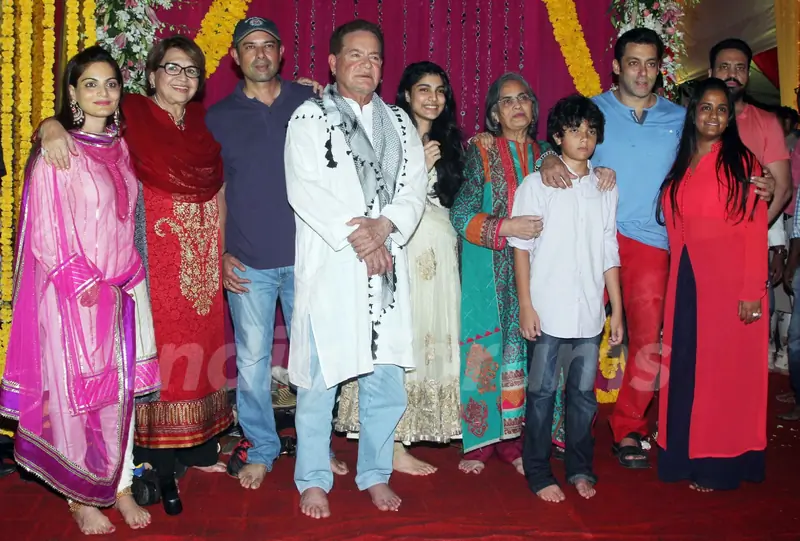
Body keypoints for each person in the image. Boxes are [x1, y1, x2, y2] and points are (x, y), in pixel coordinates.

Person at [537, 28, 778, 469]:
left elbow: (717, 154)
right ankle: (556, 425)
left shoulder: (679, 117)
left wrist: (758, 182)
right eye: (633, 62)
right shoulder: (594, 110)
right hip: (590, 239)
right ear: (616, 66)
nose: (642, 72)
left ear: (660, 68)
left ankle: (629, 427)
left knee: (649, 342)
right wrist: (546, 160)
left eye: (651, 63)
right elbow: (555, 140)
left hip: (651, 241)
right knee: (569, 330)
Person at [38, 36, 234, 516]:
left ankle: (198, 448)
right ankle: (154, 463)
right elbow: (80, 116)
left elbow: (220, 189)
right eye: (171, 68)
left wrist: (220, 252)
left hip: (201, 263)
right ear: (150, 76)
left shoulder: (204, 129)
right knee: (158, 357)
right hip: (150, 263)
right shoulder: (131, 116)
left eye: (191, 71)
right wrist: (48, 125)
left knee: (199, 352)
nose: (181, 78)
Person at [0, 46, 159, 535]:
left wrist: (129, 280)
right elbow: (47, 234)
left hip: (125, 287)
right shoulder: (58, 151)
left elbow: (124, 224)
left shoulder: (120, 148)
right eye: (90, 83)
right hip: (78, 296)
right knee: (79, 399)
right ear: (72, 93)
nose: (103, 93)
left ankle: (122, 486)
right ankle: (80, 495)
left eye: (111, 83)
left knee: (122, 394)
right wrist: (89, 288)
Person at [284, 19, 428, 518]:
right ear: (333, 63)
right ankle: (313, 479)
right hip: (335, 268)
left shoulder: (400, 122)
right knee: (319, 383)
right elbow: (305, 190)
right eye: (355, 56)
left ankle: (375, 473)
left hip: (386, 264)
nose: (366, 66)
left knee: (385, 380)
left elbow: (413, 189)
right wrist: (362, 240)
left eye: (374, 58)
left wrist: (384, 227)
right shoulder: (308, 118)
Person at [206, 16, 347, 490]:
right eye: (250, 46)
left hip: (311, 258)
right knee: (251, 363)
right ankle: (262, 447)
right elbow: (217, 192)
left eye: (269, 45)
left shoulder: (311, 102)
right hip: (249, 260)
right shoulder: (218, 116)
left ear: (282, 53)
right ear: (235, 57)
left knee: (314, 359)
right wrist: (222, 252)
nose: (261, 54)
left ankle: (315, 446)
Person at [335, 61, 464, 475]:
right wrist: (417, 167)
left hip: (440, 254)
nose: (433, 98)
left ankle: (409, 435)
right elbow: (370, 193)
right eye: (423, 89)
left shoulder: (453, 144)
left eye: (440, 90)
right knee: (397, 344)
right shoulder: (386, 136)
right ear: (406, 95)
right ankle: (392, 446)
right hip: (399, 249)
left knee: (431, 341)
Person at [656, 77, 768, 491]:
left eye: (722, 109)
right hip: (686, 284)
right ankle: (683, 457)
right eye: (706, 107)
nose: (714, 115)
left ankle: (719, 466)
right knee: (686, 369)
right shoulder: (682, 160)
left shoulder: (744, 164)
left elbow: (756, 228)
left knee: (722, 378)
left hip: (729, 289)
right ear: (693, 111)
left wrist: (751, 291)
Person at [512, 94, 622, 503]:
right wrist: (526, 304)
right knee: (541, 395)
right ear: (557, 136)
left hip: (590, 313)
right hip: (547, 310)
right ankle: (539, 472)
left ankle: (579, 468)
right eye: (574, 130)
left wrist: (618, 311)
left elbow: (610, 249)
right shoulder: (536, 184)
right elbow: (521, 247)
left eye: (591, 131)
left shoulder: (605, 186)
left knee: (582, 397)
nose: (583, 138)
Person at [450, 73, 549, 475]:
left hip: (539, 270)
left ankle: (515, 441)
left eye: (523, 97)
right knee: (484, 351)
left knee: (529, 353)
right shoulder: (483, 152)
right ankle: (480, 440)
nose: (517, 105)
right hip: (488, 269)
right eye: (507, 101)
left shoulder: (547, 156)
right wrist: (505, 227)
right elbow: (460, 213)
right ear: (494, 113)